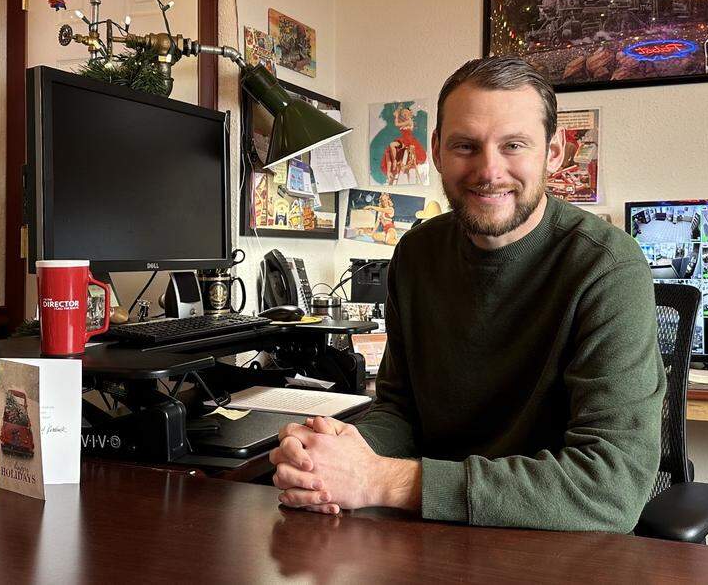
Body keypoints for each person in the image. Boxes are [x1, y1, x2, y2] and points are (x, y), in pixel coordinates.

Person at [270, 56, 665, 532]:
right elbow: (400, 410)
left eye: (514, 145)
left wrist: (384, 480)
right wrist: (337, 450)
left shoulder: (606, 266)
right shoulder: (416, 253)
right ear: (436, 150)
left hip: (555, 546)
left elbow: (611, 487)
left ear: (555, 153)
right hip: (429, 532)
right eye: (465, 146)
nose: (488, 170)